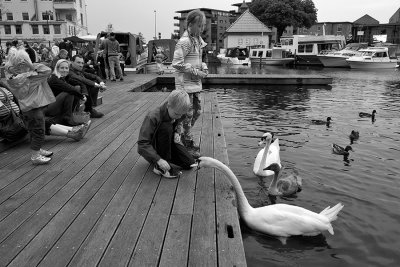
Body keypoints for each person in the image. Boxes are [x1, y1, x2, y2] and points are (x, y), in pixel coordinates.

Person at [3, 49, 88, 164]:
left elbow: (7, 68)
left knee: (34, 131)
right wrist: (30, 66)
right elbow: (47, 70)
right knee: (39, 131)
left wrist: (14, 67)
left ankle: (37, 150)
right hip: (35, 108)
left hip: (27, 109)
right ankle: (35, 156)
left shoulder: (12, 78)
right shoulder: (31, 77)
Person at [0, 85, 91, 144]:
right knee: (35, 119)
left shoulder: (2, 86)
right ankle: (73, 132)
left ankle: (73, 130)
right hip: (9, 125)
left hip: (18, 118)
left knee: (37, 118)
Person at [138, 90, 197, 178]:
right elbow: (142, 144)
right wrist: (158, 159)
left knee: (189, 163)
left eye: (182, 114)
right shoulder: (152, 116)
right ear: (168, 106)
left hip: (168, 143)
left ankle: (167, 159)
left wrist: (177, 131)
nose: (179, 117)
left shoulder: (177, 112)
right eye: (177, 114)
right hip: (155, 149)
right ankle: (160, 167)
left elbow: (179, 119)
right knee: (166, 127)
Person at [172, 9, 208, 151]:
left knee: (197, 112)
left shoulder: (198, 41)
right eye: (199, 25)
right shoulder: (184, 42)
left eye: (203, 26)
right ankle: (185, 140)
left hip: (195, 84)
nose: (202, 28)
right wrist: (195, 71)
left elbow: (200, 59)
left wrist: (203, 67)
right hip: (185, 85)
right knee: (188, 113)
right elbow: (176, 63)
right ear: (191, 24)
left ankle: (179, 135)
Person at [47, 59, 87, 125]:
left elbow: (80, 83)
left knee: (77, 87)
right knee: (69, 92)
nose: (64, 70)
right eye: (62, 68)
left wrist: (84, 93)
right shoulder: (54, 78)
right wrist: (82, 97)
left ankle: (73, 113)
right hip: (49, 108)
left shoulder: (64, 77)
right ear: (57, 68)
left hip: (57, 104)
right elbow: (70, 88)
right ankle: (67, 118)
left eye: (66, 68)